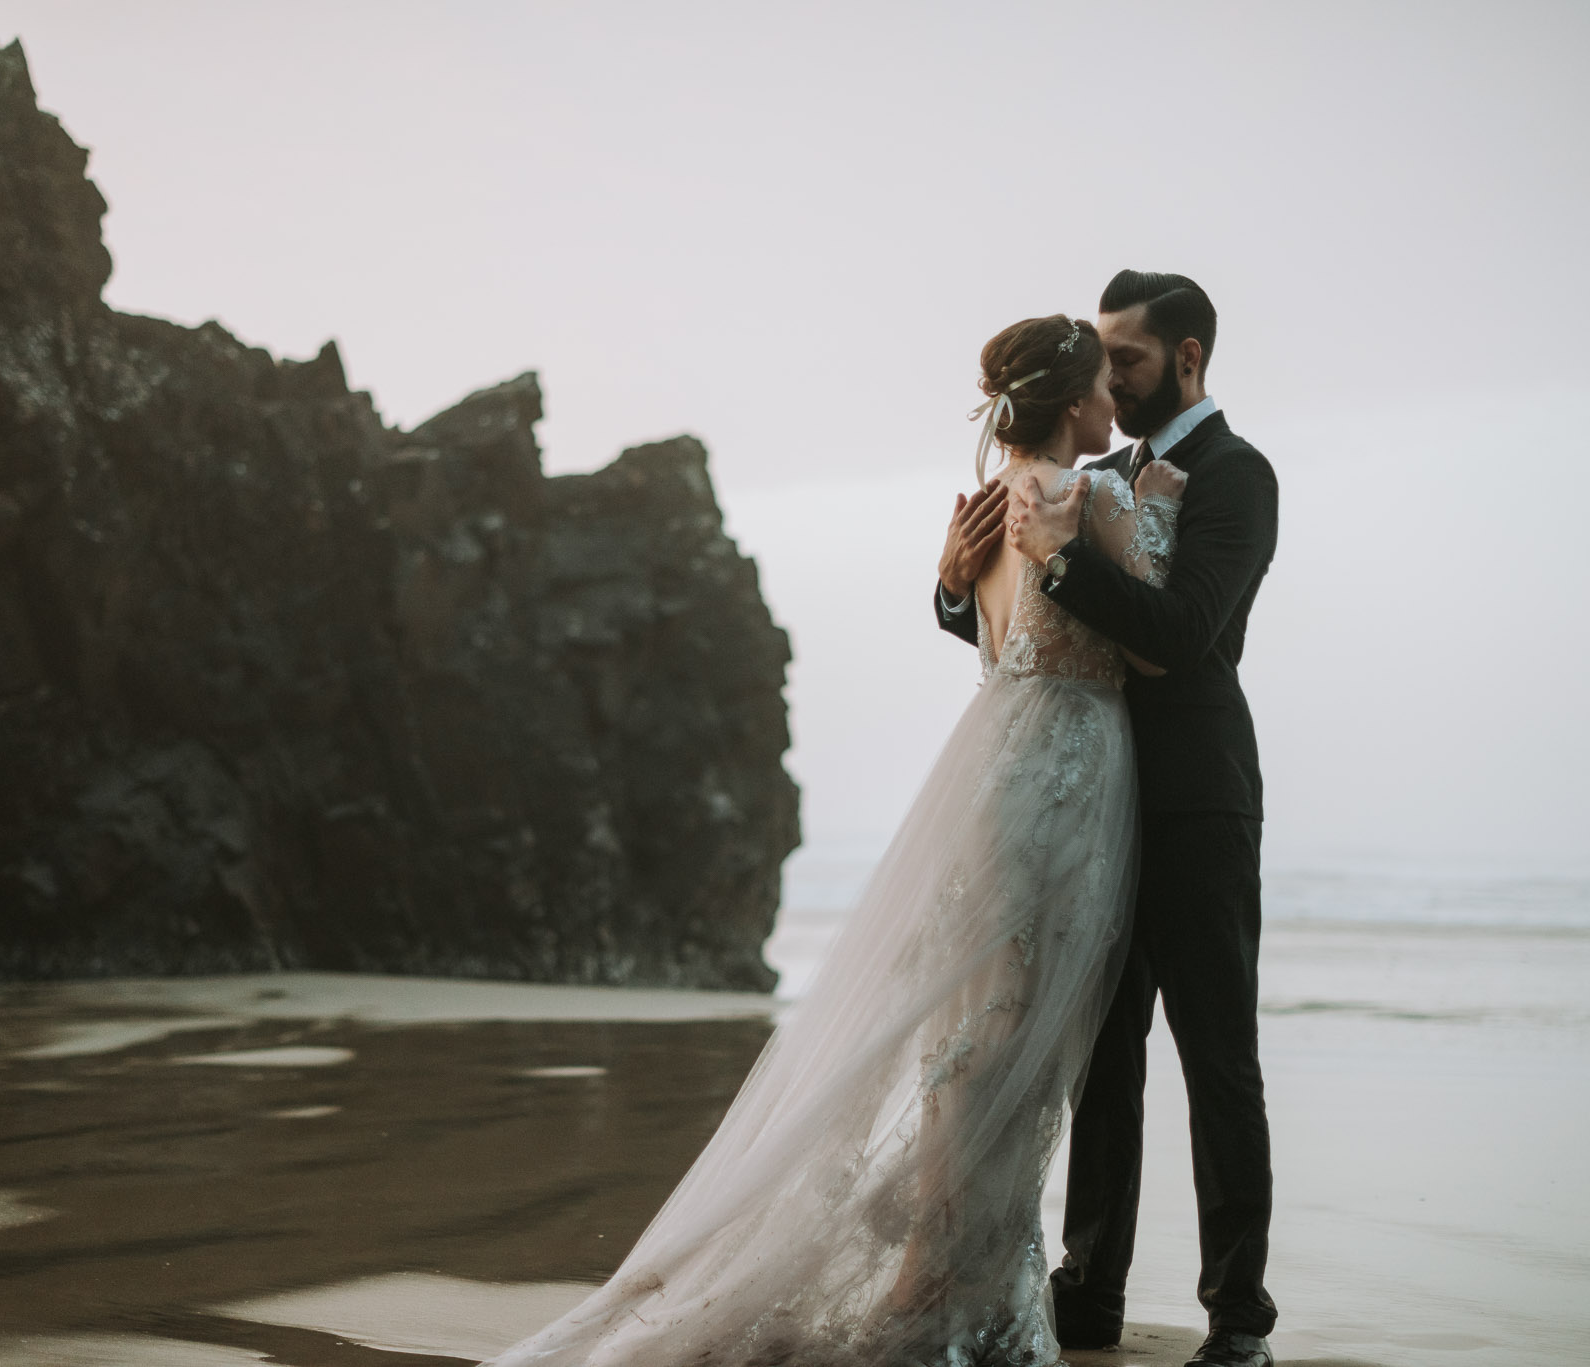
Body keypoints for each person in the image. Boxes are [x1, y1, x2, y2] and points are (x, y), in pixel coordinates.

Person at [480, 312, 1184, 1367]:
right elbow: (1156, 639)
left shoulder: (988, 513)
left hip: (993, 766)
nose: (1111, 404)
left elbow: (984, 623)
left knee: (974, 1032)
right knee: (1007, 1037)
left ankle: (941, 1270)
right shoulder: (1094, 498)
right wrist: (1159, 513)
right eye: (1099, 386)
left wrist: (959, 577)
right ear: (1071, 401)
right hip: (1067, 775)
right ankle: (957, 1287)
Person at [940, 271, 1281, 1367]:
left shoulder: (1237, 476)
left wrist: (1067, 559)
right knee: (1102, 1053)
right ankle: (1087, 1289)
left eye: (1125, 359)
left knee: (1215, 1053)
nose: (1107, 377)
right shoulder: (1090, 474)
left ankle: (1238, 1318)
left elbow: (1181, 631)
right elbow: (1032, 634)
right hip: (1090, 807)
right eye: (1098, 359)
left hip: (1194, 799)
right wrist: (953, 586)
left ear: (1186, 357)